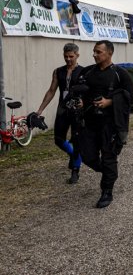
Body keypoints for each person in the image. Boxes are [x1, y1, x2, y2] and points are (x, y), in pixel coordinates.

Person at [77, 40, 133, 209]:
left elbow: (131, 97)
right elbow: (81, 91)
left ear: (109, 53)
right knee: (87, 156)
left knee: (109, 156)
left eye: (98, 52)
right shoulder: (88, 72)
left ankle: (107, 191)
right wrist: (81, 101)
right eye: (94, 51)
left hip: (111, 124)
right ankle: (109, 171)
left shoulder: (120, 74)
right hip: (90, 122)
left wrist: (110, 102)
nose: (94, 55)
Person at [35, 43, 84, 184]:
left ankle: (75, 170)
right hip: (63, 109)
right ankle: (73, 154)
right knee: (58, 139)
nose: (68, 59)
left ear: (77, 55)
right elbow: (51, 91)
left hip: (77, 111)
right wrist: (40, 110)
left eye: (71, 56)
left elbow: (89, 90)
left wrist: (84, 102)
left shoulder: (84, 71)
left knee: (77, 141)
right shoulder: (58, 71)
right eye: (65, 56)